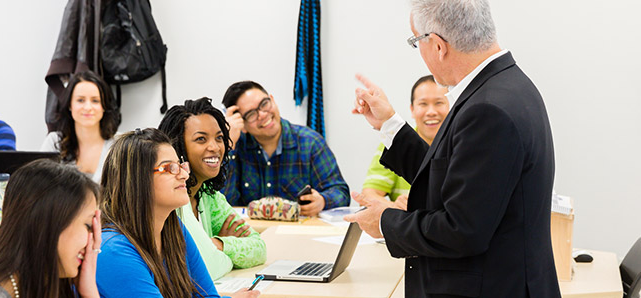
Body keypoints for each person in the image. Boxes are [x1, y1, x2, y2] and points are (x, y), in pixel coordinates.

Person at [344, 0, 561, 297]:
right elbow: (451, 177)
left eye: (415, 41)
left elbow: (462, 230)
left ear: (437, 45)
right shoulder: (505, 87)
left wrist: (384, 221)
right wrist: (388, 123)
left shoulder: (487, 109)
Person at [96, 128, 258, 298]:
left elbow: (207, 296)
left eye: (181, 165)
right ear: (137, 180)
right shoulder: (113, 251)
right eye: (170, 168)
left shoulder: (174, 228)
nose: (184, 175)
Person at [0, 159, 102, 298]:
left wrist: (89, 292)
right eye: (88, 226)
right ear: (48, 223)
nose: (94, 239)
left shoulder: (42, 286)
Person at [159, 98, 266, 280]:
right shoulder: (171, 198)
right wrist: (216, 254)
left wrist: (218, 244)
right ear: (178, 147)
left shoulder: (209, 196)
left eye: (219, 138)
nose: (215, 147)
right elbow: (208, 267)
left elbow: (259, 249)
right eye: (201, 139)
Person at [221, 81, 349, 216]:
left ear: (273, 100)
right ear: (243, 125)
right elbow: (220, 204)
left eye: (264, 104)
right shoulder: (235, 149)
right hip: (250, 233)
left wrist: (322, 201)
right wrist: (228, 145)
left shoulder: (310, 142)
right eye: (251, 114)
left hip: (299, 233)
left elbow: (341, 192)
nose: (263, 114)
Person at [361, 75, 448, 211]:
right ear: (412, 110)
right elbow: (368, 195)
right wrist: (396, 209)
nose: (431, 112)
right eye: (423, 104)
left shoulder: (461, 143)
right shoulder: (394, 143)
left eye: (439, 103)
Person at [40, 71, 119, 183]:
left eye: (95, 101)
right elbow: (38, 186)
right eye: (80, 100)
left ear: (104, 106)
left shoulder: (119, 145)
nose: (87, 107)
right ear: (70, 105)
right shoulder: (54, 141)